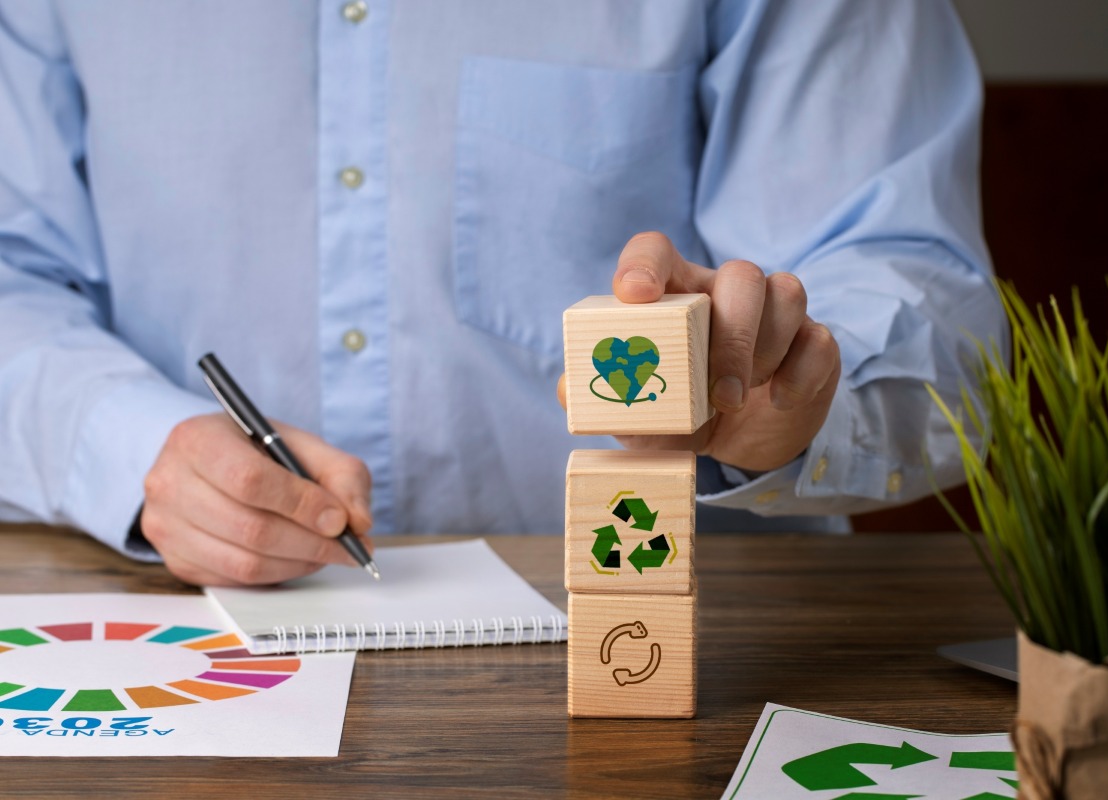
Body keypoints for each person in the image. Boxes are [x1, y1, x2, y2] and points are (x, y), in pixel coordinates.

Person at [0, 1, 1005, 586]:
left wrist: (795, 397)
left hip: (708, 645)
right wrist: (139, 447)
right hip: (182, 636)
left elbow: (923, 300)